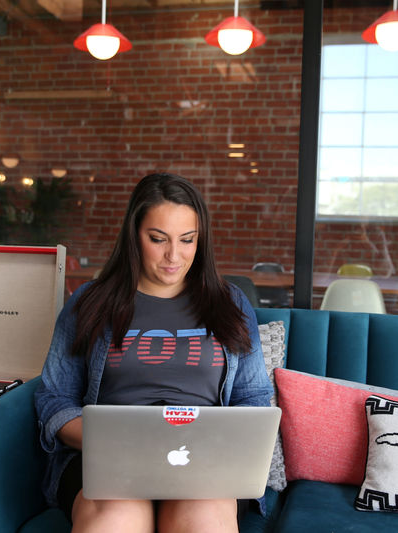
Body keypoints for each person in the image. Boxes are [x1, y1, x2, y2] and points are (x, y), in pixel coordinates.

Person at [34, 172, 273, 533]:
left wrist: (222, 444)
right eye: (158, 239)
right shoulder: (91, 303)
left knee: (205, 519)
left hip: (203, 461)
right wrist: (110, 441)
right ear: (134, 235)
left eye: (187, 240)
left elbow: (253, 397)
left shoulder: (230, 304)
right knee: (117, 518)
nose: (173, 256)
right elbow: (55, 398)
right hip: (107, 459)